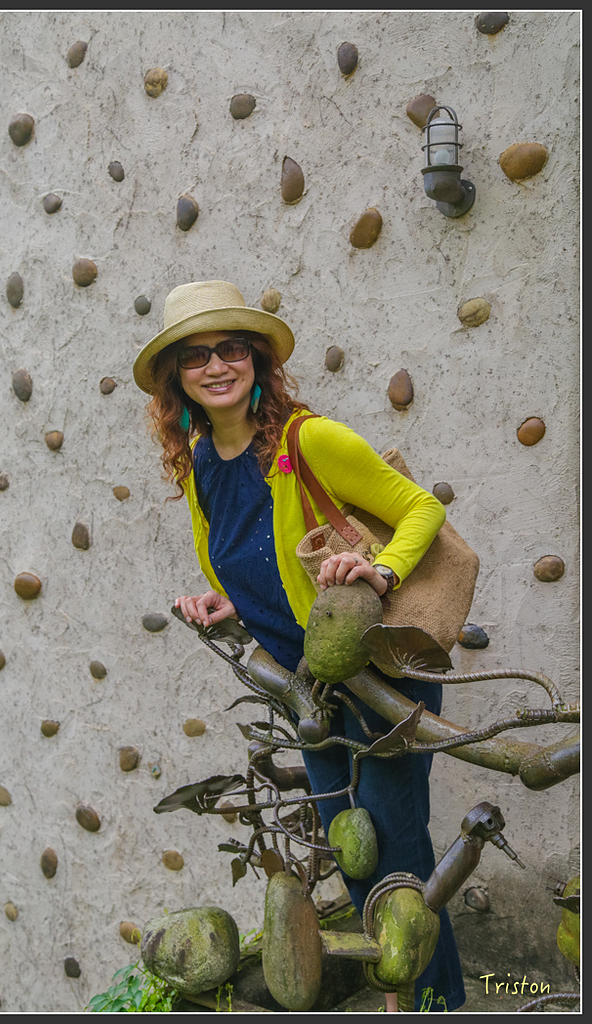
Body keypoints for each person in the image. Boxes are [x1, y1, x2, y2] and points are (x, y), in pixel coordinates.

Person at [133, 280, 466, 1012]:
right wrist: (229, 603)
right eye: (196, 356)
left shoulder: (306, 440)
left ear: (255, 360)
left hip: (378, 672)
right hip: (305, 684)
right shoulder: (200, 464)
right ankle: (399, 996)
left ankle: (434, 1004)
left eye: (231, 349)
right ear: (175, 379)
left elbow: (421, 509)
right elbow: (250, 558)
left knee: (392, 843)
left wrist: (379, 572)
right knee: (349, 841)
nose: (217, 365)